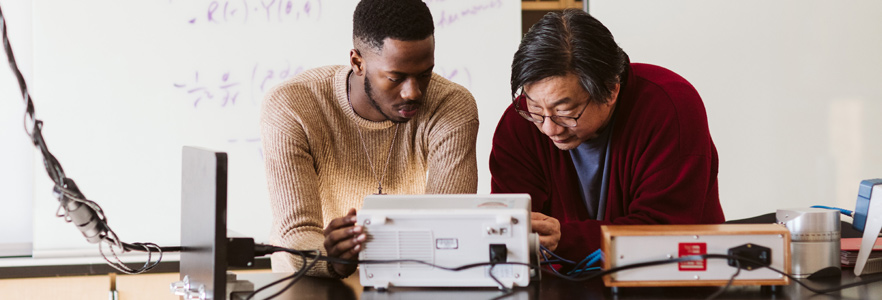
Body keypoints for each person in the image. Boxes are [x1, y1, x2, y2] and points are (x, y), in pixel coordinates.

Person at [260, 0, 479, 278]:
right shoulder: (293, 105)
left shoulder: (451, 105)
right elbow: (296, 235)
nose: (413, 92)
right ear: (357, 62)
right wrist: (332, 257)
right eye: (395, 77)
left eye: (425, 74)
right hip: (311, 281)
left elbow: (447, 224)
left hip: (409, 279)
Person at [490, 9, 725, 262]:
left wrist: (566, 238)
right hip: (557, 288)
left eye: (565, 112)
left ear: (611, 90)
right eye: (535, 108)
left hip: (673, 280)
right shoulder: (519, 123)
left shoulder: (670, 107)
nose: (549, 128)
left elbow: (664, 231)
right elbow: (512, 226)